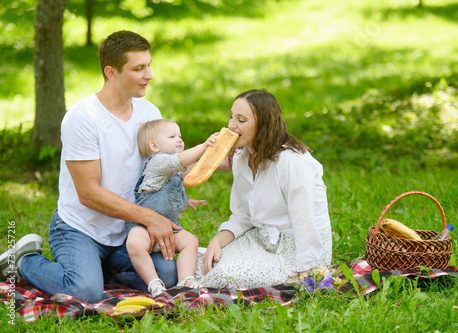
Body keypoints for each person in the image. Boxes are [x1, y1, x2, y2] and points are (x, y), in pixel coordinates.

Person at [0, 31, 179, 302]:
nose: (149, 74)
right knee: (85, 291)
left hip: (128, 232)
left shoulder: (149, 113)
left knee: (167, 276)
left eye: (149, 65)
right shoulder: (83, 118)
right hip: (80, 228)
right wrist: (149, 217)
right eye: (139, 68)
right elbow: (88, 193)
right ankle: (23, 261)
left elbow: (160, 168)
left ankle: (98, 268)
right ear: (111, 72)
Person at [198, 89, 332, 289]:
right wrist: (217, 241)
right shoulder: (242, 158)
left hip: (293, 249)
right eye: (231, 117)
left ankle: (192, 291)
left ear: (263, 125)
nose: (232, 125)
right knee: (196, 261)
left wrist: (308, 270)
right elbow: (242, 216)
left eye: (241, 120)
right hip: (260, 239)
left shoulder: (291, 160)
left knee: (225, 276)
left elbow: (304, 220)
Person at [126, 119, 217, 296]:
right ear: (154, 146)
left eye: (180, 136)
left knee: (190, 240)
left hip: (167, 231)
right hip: (144, 228)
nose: (180, 140)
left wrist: (186, 201)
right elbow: (182, 160)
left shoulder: (174, 173)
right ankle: (153, 282)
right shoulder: (158, 162)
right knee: (134, 242)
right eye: (172, 136)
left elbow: (172, 195)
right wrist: (205, 146)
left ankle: (186, 279)